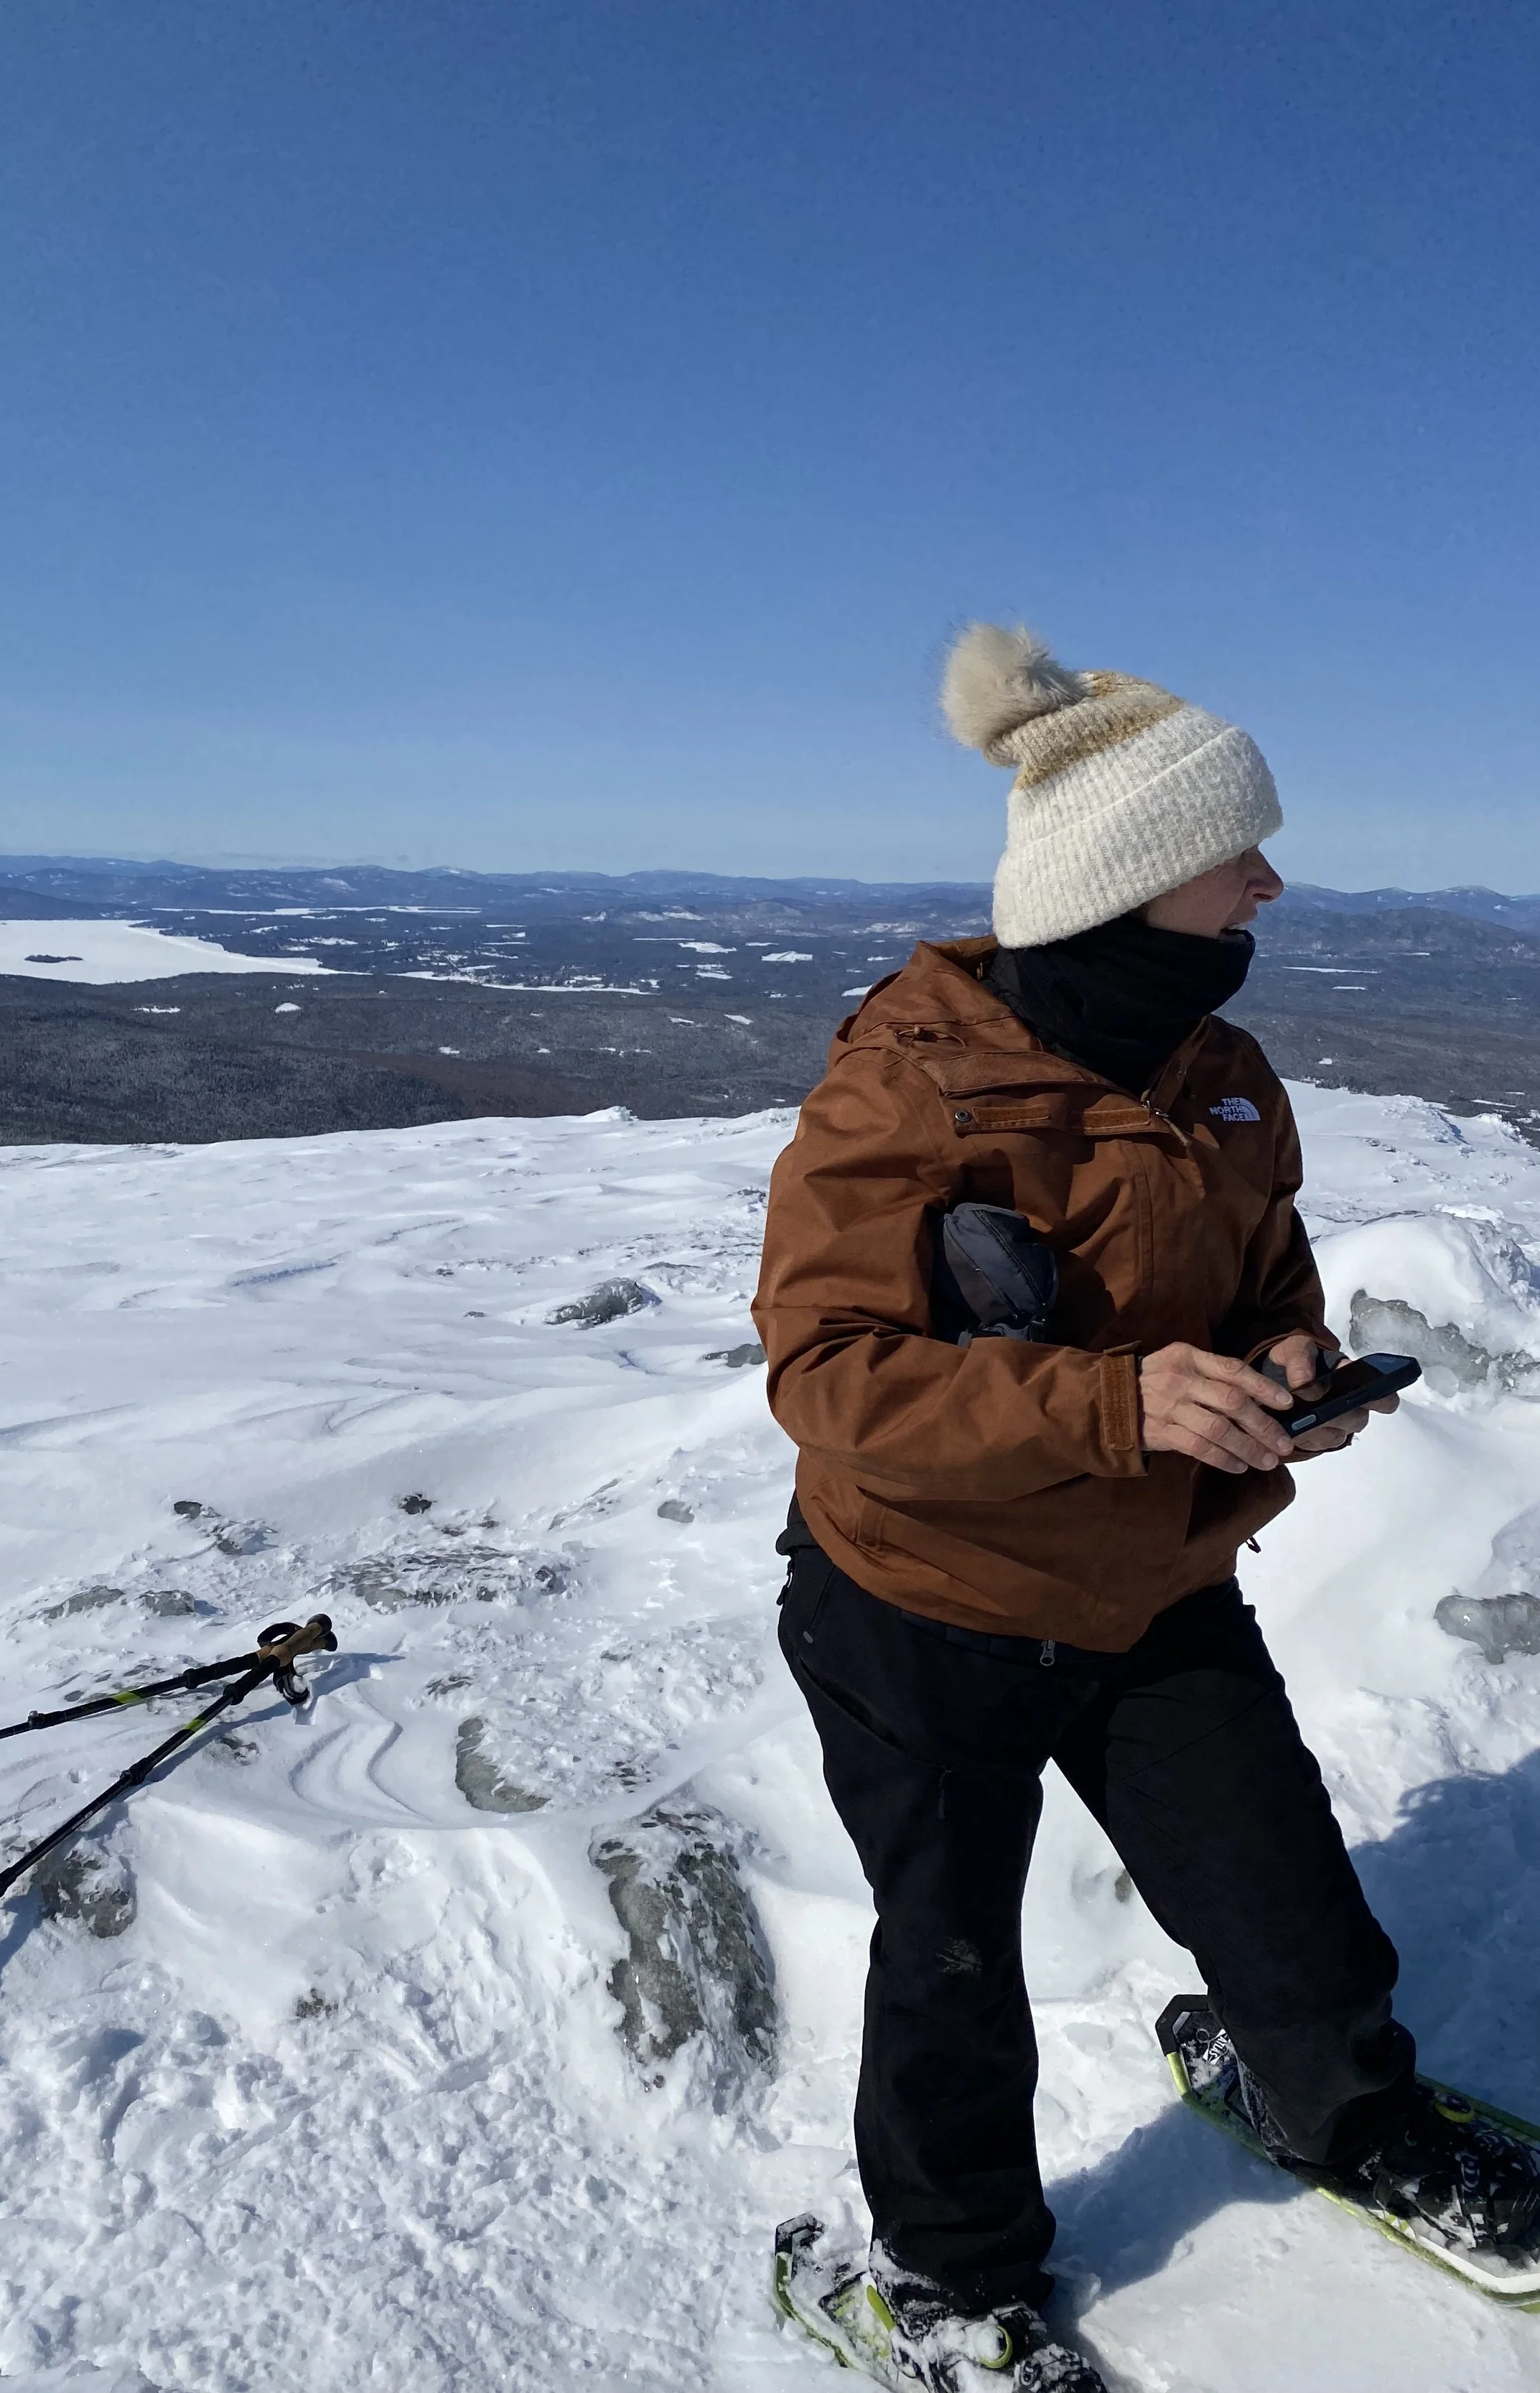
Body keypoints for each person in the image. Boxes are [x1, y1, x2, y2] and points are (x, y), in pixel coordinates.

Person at [752, 625, 1538, 2392]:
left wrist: (1286, 1370)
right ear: (1124, 877)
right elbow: (826, 1374)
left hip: (1151, 1583)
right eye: (1232, 850)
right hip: (921, 1602)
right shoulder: (908, 1078)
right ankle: (947, 2280)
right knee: (947, 1957)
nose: (1268, 873)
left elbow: (1270, 1275)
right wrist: (1112, 1400)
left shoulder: (1224, 1068)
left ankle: (1342, 2108)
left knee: (1284, 1905)